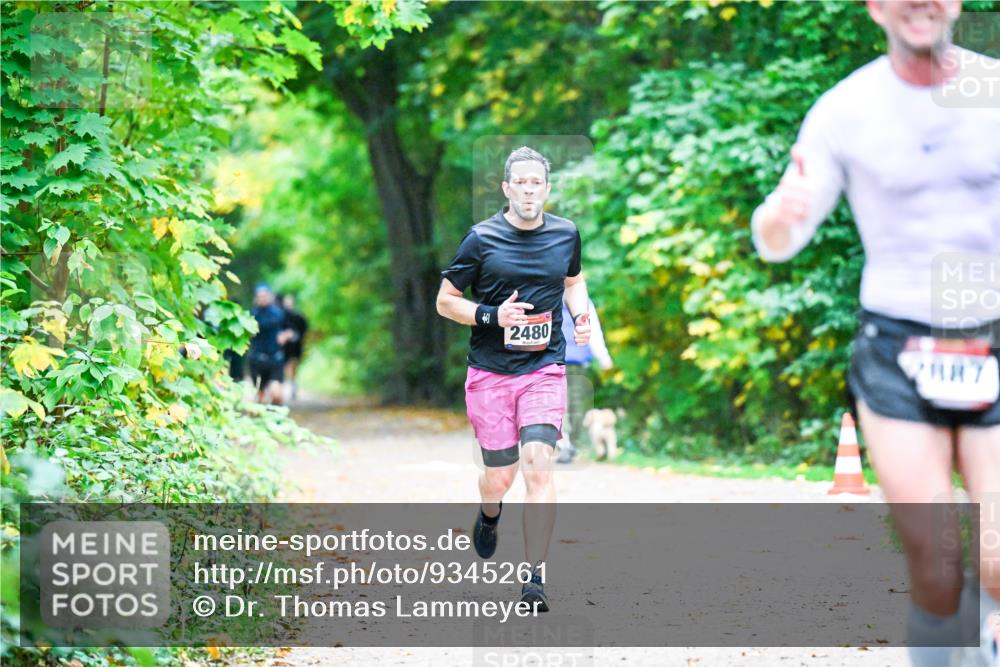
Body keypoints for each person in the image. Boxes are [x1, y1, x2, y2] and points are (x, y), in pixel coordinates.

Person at [751, 2, 999, 665]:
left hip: (993, 333)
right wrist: (781, 215)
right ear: (874, 6)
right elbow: (778, 238)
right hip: (897, 345)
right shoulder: (848, 107)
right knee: (938, 561)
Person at [436, 146, 591, 612]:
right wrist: (491, 315)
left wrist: (580, 315)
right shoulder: (481, 239)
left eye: (536, 183)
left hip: (544, 368)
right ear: (506, 188)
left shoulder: (566, 234)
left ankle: (534, 578)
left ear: (546, 188)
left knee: (539, 464)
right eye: (519, 182)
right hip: (490, 374)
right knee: (498, 479)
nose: (528, 189)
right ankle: (488, 513)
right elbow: (446, 300)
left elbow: (573, 281)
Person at [556, 298, 613, 464]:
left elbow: (593, 331)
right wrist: (603, 357)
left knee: (563, 404)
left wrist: (603, 357)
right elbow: (594, 331)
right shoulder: (582, 301)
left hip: (561, 360)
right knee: (571, 404)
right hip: (569, 360)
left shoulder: (547, 295)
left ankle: (566, 444)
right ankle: (569, 444)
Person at [248, 284, 293, 405]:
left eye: (264, 296)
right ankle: (264, 421)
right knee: (260, 398)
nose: (262, 298)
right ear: (256, 298)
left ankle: (278, 417)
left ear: (270, 296)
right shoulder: (250, 315)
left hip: (275, 358)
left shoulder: (279, 313)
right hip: (257, 359)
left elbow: (290, 331)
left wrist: (285, 336)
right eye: (260, 296)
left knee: (276, 394)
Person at [281, 293, 308, 400]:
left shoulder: (299, 317)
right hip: (283, 348)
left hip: (296, 347)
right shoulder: (280, 316)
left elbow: (304, 330)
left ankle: (293, 386)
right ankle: (285, 388)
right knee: (285, 367)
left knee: (294, 367)